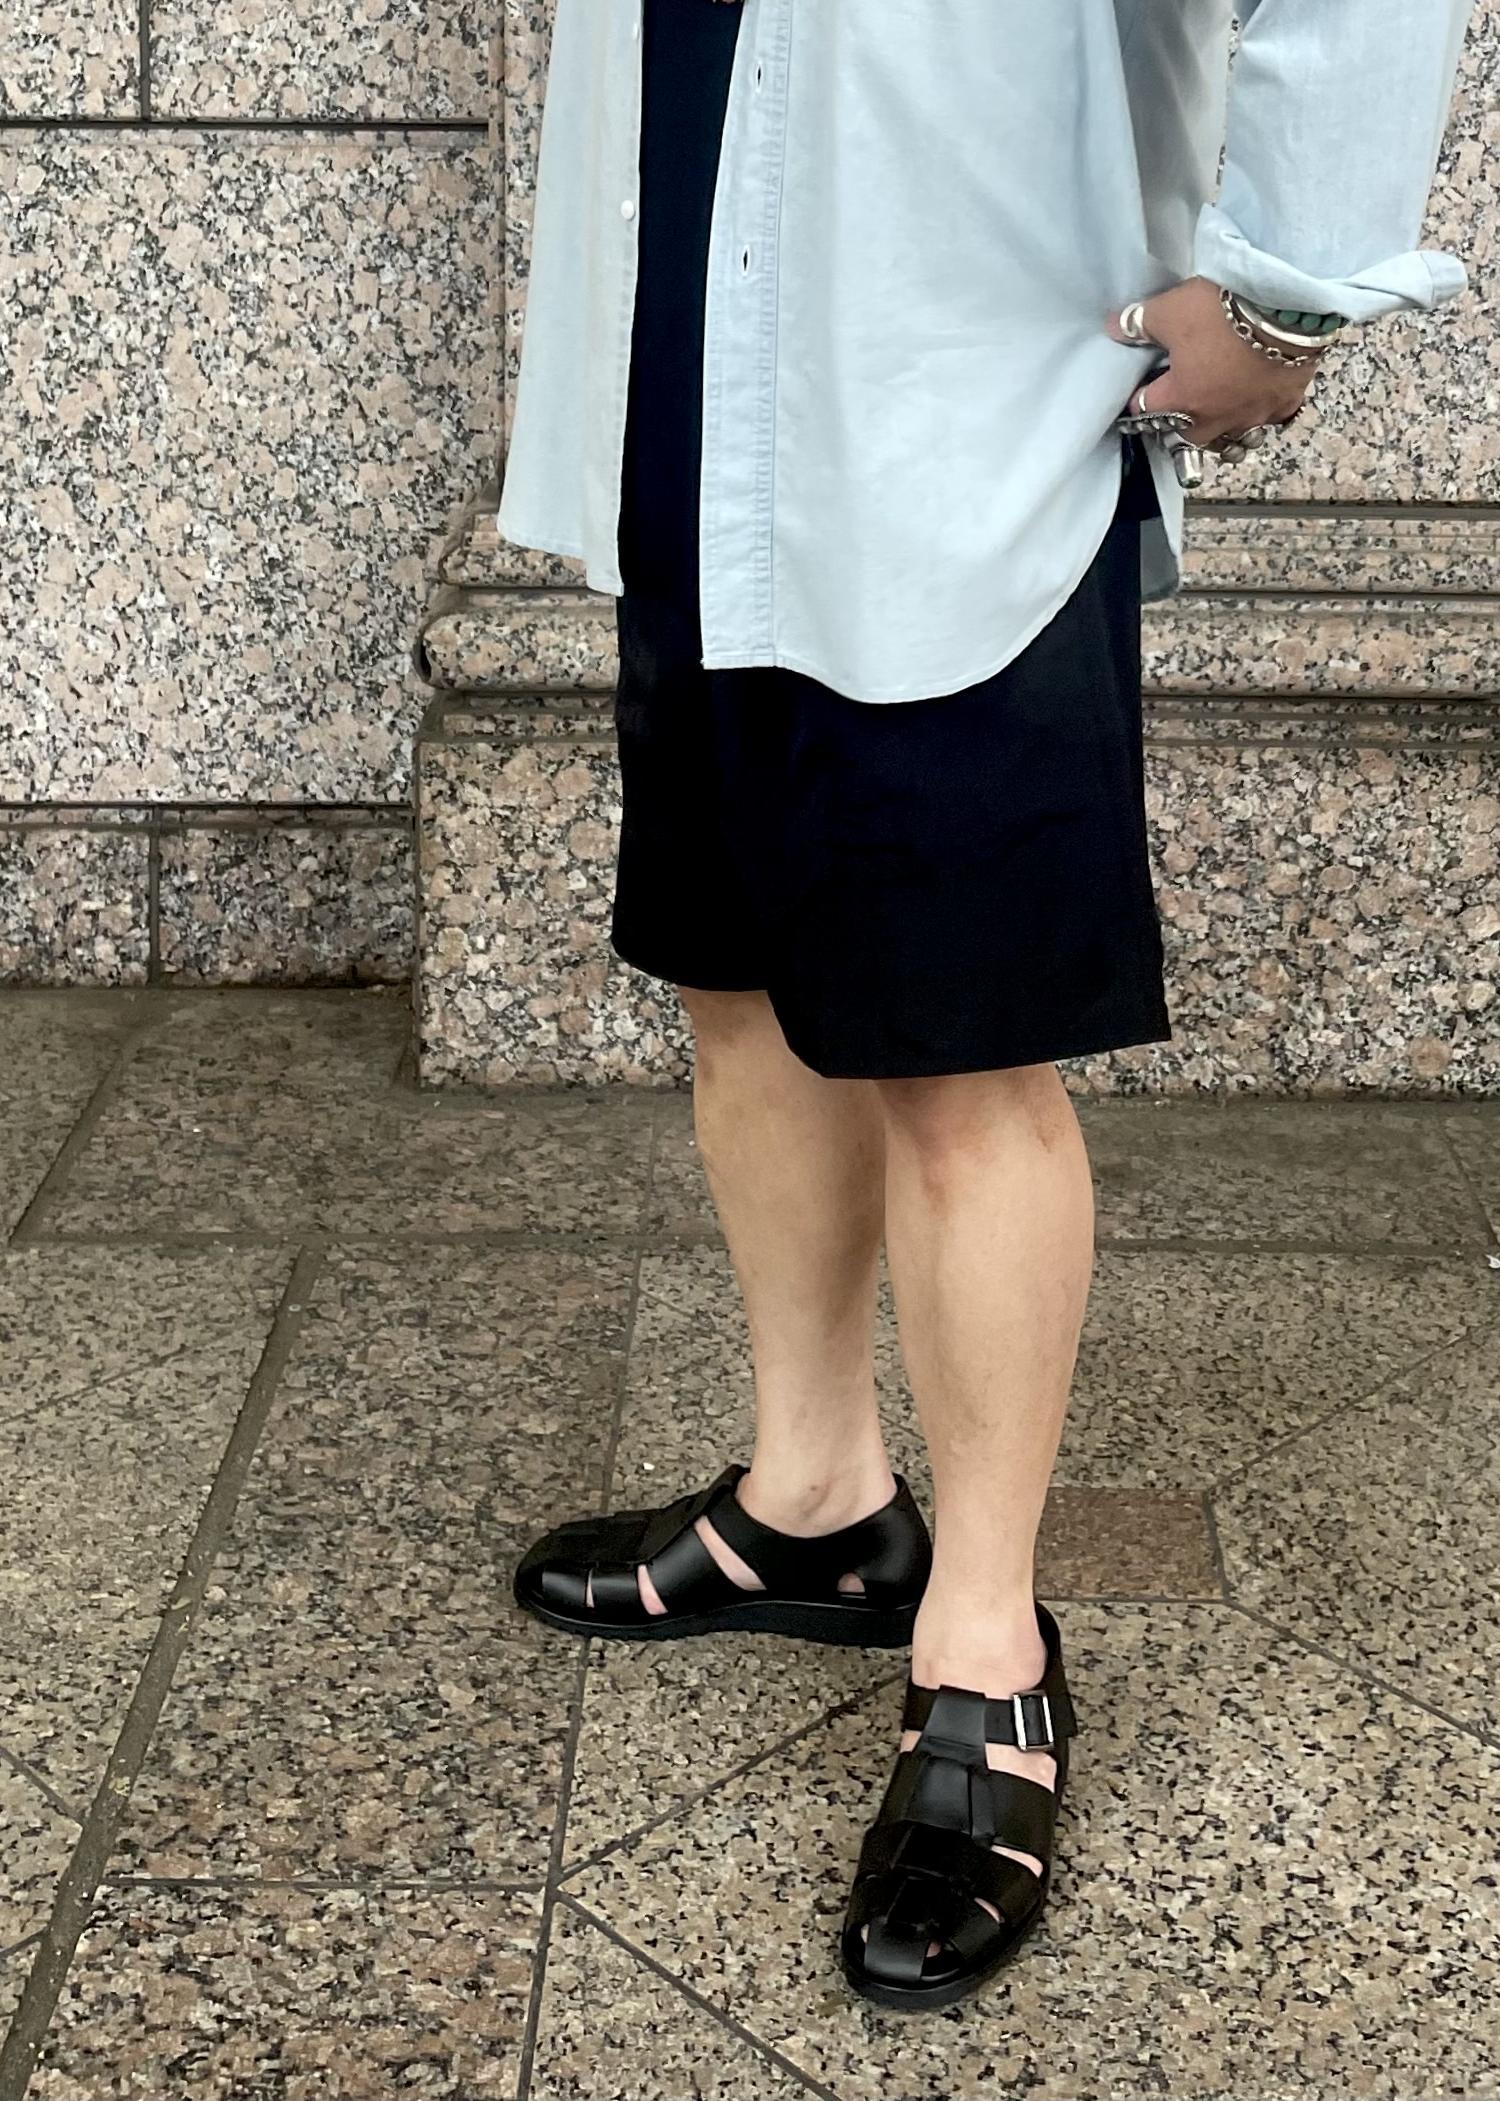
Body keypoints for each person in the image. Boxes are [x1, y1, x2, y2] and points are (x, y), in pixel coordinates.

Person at [498, 0, 1475, 2012]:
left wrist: (1286, 288)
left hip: (960, 338)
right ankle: (813, 1497)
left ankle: (987, 1646)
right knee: (739, 970)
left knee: (961, 1045)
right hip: (689, 273)